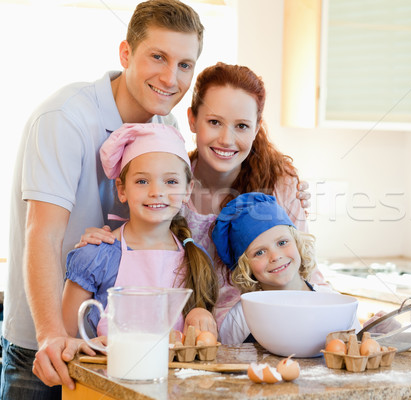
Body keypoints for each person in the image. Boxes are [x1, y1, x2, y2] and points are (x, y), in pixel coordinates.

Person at [2, 1, 205, 396]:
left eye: (185, 65)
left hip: (115, 350)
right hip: (45, 345)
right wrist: (51, 336)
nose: (170, 77)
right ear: (126, 53)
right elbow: (42, 235)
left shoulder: (166, 123)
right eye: (158, 57)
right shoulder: (65, 118)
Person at [79, 62, 323, 332]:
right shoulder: (167, 184)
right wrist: (101, 240)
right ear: (192, 120)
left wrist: (336, 317)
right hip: (182, 335)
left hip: (265, 330)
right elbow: (134, 244)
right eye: (214, 122)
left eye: (242, 126)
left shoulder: (281, 186)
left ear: (256, 129)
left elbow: (305, 272)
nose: (227, 139)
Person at [62, 123, 218, 341]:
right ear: (122, 189)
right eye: (142, 181)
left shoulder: (195, 259)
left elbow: (201, 343)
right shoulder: (96, 256)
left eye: (171, 181)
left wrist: (199, 313)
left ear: (187, 190)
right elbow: (64, 340)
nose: (156, 192)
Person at [212, 193, 360, 344]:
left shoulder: (334, 303)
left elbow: (357, 350)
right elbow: (227, 362)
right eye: (260, 252)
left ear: (298, 243)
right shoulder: (242, 316)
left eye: (282, 243)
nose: (275, 256)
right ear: (245, 267)